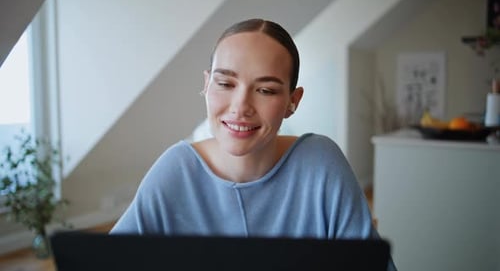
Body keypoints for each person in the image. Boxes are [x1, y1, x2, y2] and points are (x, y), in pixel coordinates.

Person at [111, 18, 396, 270]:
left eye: (265, 90)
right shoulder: (175, 169)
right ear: (207, 84)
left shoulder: (321, 164)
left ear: (292, 102)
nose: (241, 107)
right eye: (225, 84)